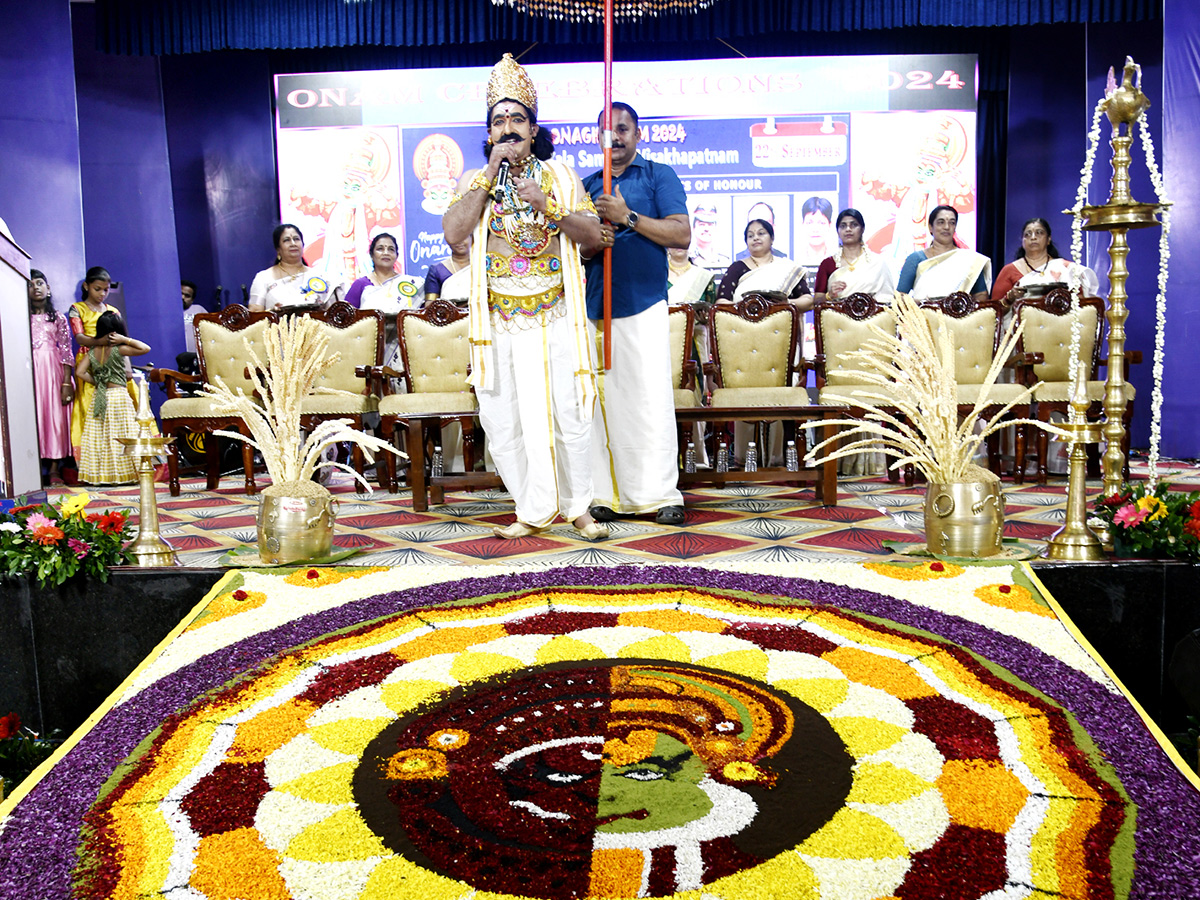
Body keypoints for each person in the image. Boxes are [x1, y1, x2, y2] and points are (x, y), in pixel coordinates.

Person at [442, 53, 605, 540]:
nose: (508, 127)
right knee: (504, 415)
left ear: (534, 129)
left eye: (517, 118)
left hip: (555, 312)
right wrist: (488, 178)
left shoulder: (561, 176)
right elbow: (454, 233)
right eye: (499, 120)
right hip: (501, 318)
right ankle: (530, 508)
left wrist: (546, 204)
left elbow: (594, 236)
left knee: (571, 414)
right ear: (490, 133)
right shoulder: (477, 180)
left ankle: (579, 509)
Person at [583, 102, 691, 526]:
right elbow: (577, 249)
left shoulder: (658, 175)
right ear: (597, 138)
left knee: (650, 400)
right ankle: (605, 495)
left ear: (638, 134)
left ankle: (660, 494)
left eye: (624, 129)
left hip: (644, 303)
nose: (616, 137)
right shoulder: (587, 185)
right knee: (600, 404)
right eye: (607, 131)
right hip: (595, 309)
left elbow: (680, 233)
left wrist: (625, 216)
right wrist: (595, 237)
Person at [75, 311, 150, 485]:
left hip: (99, 395)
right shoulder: (119, 349)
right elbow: (145, 348)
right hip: (118, 396)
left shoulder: (93, 352)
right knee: (122, 434)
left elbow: (80, 372)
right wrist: (125, 339)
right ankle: (123, 474)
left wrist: (96, 381)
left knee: (100, 437)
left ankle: (102, 475)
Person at [68, 266, 123, 459]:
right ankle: (93, 460)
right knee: (91, 408)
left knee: (118, 408)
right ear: (86, 286)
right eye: (97, 289)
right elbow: (80, 338)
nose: (102, 294)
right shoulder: (77, 309)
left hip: (112, 360)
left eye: (106, 290)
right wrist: (99, 342)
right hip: (88, 361)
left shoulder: (113, 311)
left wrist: (126, 366)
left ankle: (118, 457)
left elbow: (122, 338)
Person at [28, 270, 76, 484]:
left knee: (54, 417)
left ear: (49, 289)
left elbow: (66, 351)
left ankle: (55, 468)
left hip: (54, 371)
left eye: (40, 283)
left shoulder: (57, 317)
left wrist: (66, 382)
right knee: (33, 416)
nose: (36, 287)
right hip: (28, 371)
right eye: (30, 284)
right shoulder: (20, 316)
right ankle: (32, 467)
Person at [992, 217, 1100, 303]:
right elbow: (994, 311)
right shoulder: (1009, 270)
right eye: (1027, 234)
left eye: (1039, 233)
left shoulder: (1064, 269)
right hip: (1021, 328)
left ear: (1048, 239)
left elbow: (1081, 303)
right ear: (1022, 241)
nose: (1033, 237)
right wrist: (1009, 298)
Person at [895, 204, 991, 301]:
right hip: (922, 314)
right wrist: (921, 304)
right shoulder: (916, 258)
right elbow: (900, 296)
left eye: (952, 223)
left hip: (960, 314)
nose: (946, 227)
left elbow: (981, 294)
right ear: (930, 227)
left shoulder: (970, 260)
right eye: (941, 222)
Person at [716, 219, 812, 307]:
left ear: (772, 238)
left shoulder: (787, 267)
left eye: (761, 233)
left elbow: (808, 300)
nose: (755, 238)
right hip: (743, 323)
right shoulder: (737, 268)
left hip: (781, 323)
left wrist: (786, 304)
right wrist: (745, 308)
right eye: (750, 236)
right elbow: (721, 302)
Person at [813, 208, 896, 302]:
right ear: (837, 231)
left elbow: (887, 298)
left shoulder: (878, 263)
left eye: (854, 225)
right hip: (837, 316)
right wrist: (829, 295)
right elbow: (816, 302)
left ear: (862, 229)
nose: (848, 229)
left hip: (874, 315)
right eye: (843, 226)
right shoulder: (828, 264)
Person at [248, 224, 335, 311]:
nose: (293, 243)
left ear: (303, 244)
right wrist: (272, 312)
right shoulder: (264, 278)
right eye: (286, 240)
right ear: (278, 249)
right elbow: (254, 314)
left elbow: (334, 313)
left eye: (296, 239)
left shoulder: (320, 276)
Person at [342, 233, 422, 311]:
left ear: (396, 256)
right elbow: (346, 317)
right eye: (380, 249)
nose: (386, 253)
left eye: (391, 249)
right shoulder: (360, 284)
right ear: (371, 255)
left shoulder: (409, 283)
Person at [424, 236, 472, 305]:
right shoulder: (436, 270)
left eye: (464, 238)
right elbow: (430, 306)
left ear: (472, 238)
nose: (460, 242)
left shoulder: (482, 266)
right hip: (448, 315)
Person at [688, 205, 730, 269]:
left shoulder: (724, 259)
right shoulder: (687, 257)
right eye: (702, 225)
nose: (706, 229)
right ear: (694, 228)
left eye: (710, 225)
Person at [799, 195, 836, 265]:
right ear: (803, 224)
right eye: (810, 223)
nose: (815, 229)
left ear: (830, 225)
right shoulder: (795, 260)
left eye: (821, 223)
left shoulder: (838, 260)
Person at [181, 279, 206, 353]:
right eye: (180, 293)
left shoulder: (198, 309)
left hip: (194, 356)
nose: (182, 297)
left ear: (192, 300)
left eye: (187, 296)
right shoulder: (166, 312)